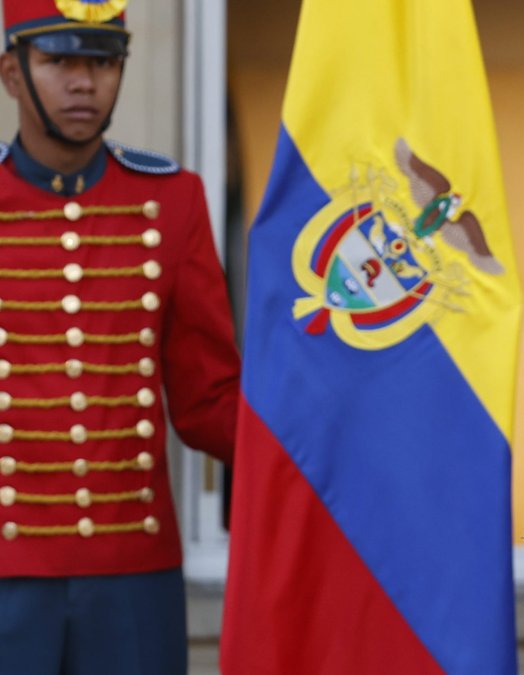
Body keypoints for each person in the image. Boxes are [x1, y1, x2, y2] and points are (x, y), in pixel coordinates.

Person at [0, 1, 241, 672]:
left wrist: (321, 453)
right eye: (59, 61)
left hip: (133, 575)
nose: (84, 83)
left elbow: (209, 401)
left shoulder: (174, 201)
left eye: (103, 62)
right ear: (11, 74)